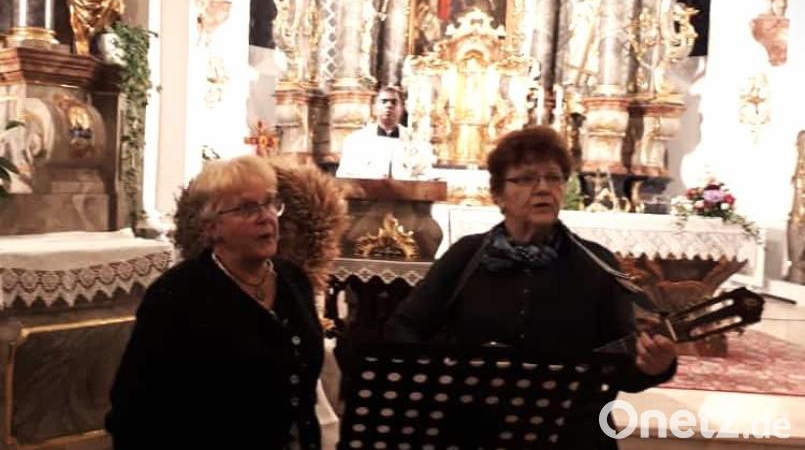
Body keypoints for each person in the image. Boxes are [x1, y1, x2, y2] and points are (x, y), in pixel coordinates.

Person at [385, 127, 677, 449]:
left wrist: (653, 367)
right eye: (525, 179)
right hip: (473, 433)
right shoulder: (467, 255)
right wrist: (439, 378)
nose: (543, 188)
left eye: (553, 178)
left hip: (568, 438)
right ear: (498, 194)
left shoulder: (597, 264)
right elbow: (403, 326)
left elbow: (621, 371)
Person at [105, 155, 323, 449]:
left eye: (271, 203)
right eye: (248, 208)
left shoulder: (293, 281)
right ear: (211, 228)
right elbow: (134, 408)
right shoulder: (177, 295)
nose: (266, 217)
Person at [336, 86, 433, 180]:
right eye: (384, 101)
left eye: (394, 102)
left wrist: (402, 181)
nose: (389, 105)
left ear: (402, 108)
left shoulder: (418, 143)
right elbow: (345, 176)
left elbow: (425, 175)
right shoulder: (355, 141)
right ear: (374, 108)